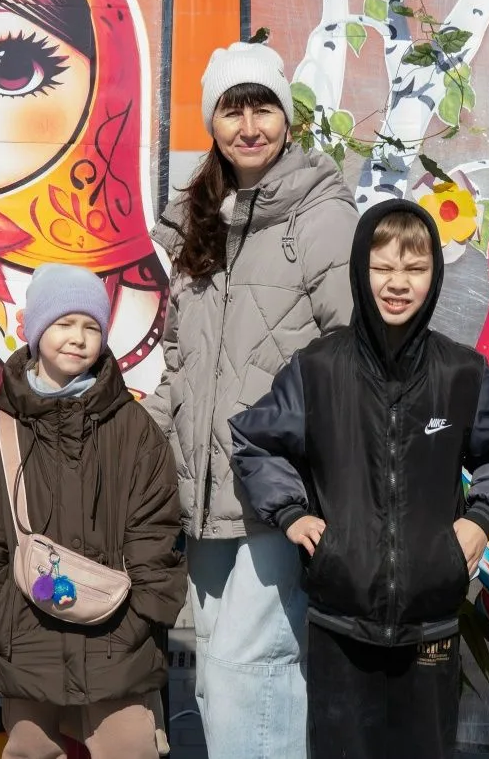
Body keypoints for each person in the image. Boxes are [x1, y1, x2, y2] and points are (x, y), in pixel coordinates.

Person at [229, 199, 489, 758]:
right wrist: (291, 512)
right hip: (340, 619)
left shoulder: (461, 372)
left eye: (415, 268)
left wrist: (481, 517)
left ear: (435, 275)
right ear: (360, 270)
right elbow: (255, 441)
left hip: (431, 622)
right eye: (382, 267)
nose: (398, 283)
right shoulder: (318, 368)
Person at [144, 41, 358, 757]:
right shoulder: (197, 222)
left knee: (251, 671)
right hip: (203, 495)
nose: (249, 126)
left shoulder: (322, 217)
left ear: (287, 119)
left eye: (262, 107)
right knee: (218, 676)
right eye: (231, 111)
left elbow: (353, 354)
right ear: (211, 123)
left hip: (279, 492)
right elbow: (180, 364)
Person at [0, 264, 185, 759]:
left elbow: (155, 529)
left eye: (91, 326)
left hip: (117, 637)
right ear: (35, 329)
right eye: (64, 322)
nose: (78, 337)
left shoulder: (134, 429)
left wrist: (141, 616)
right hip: (24, 637)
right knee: (31, 749)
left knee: (130, 747)